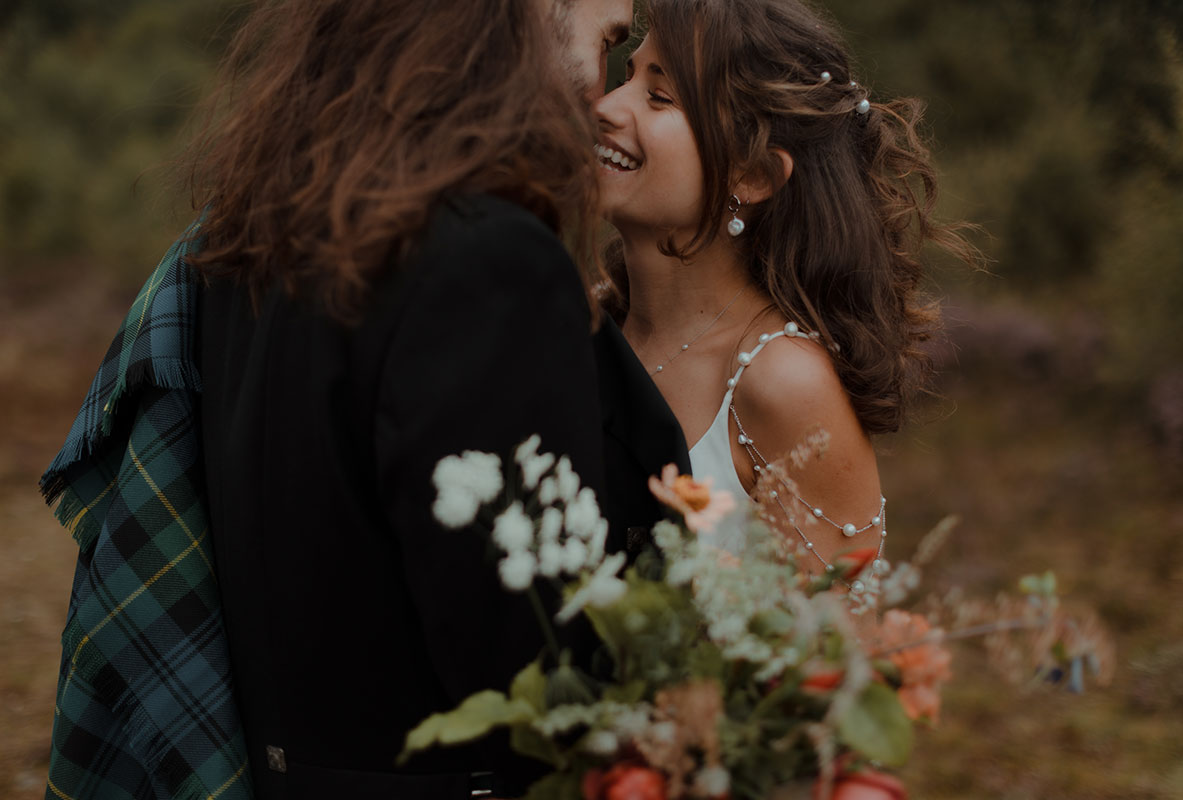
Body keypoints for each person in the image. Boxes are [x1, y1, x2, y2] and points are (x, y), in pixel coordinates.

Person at [40, 0, 691, 798]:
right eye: (607, 40)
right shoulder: (489, 262)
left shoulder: (262, 233)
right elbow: (524, 670)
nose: (599, 90)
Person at [593, 0, 976, 569]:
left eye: (660, 96)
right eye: (625, 75)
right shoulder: (586, 323)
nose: (604, 107)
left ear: (754, 175)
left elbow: (840, 649)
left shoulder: (782, 384)